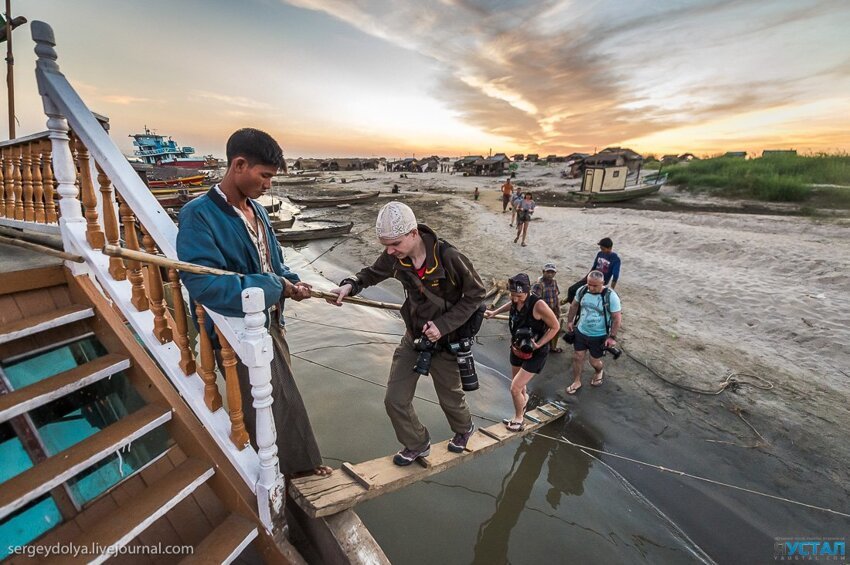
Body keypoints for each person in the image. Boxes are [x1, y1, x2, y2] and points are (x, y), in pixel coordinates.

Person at [176, 128, 331, 477]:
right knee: (267, 406)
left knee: (284, 399)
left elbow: (274, 264)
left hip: (271, 323)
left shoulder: (257, 212)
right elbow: (204, 284)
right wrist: (274, 286)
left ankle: (298, 471)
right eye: (265, 176)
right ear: (239, 165)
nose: (268, 185)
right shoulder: (198, 214)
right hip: (236, 332)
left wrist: (292, 282)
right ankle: (293, 477)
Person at [328, 202, 486, 465]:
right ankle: (417, 443)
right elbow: (371, 274)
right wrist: (349, 285)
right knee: (395, 400)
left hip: (447, 342)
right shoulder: (394, 257)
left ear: (414, 234)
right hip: (414, 338)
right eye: (385, 245)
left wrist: (443, 326)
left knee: (451, 399)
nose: (390, 251)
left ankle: (464, 429)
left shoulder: (449, 257)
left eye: (395, 244)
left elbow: (476, 295)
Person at [484, 273, 560, 431]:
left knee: (515, 388)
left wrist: (539, 344)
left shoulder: (538, 305)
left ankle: (519, 418)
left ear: (527, 291)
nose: (515, 299)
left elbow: (555, 326)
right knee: (520, 386)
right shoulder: (515, 300)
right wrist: (494, 313)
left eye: (519, 295)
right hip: (517, 347)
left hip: (535, 351)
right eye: (512, 295)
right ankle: (522, 404)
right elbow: (511, 305)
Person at [564, 270, 622, 394]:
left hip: (599, 335)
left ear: (603, 283)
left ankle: (598, 371)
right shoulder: (583, 290)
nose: (591, 287)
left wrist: (612, 337)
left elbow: (617, 318)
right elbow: (574, 305)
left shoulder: (610, 296)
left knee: (594, 361)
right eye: (589, 284)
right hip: (581, 331)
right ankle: (576, 381)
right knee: (577, 357)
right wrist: (570, 321)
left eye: (595, 285)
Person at [565, 237, 621, 304]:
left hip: (599, 282)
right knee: (571, 289)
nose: (601, 250)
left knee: (585, 295)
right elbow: (594, 266)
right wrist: (586, 277)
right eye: (601, 248)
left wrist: (612, 289)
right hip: (591, 277)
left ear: (609, 248)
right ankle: (572, 303)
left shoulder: (615, 259)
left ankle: (577, 307)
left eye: (603, 248)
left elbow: (615, 276)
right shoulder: (600, 253)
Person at [532, 263, 563, 353]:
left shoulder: (554, 282)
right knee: (543, 330)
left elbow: (556, 296)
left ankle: (552, 347)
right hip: (543, 312)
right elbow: (535, 301)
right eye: (548, 272)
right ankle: (538, 347)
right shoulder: (539, 284)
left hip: (553, 310)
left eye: (552, 272)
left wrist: (558, 309)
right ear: (543, 272)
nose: (550, 274)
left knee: (554, 328)